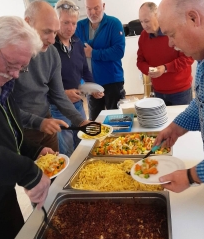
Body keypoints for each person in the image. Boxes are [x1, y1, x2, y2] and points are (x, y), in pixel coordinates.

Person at [154, 0, 204, 239]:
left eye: (171, 34)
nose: (171, 44)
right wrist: (177, 126)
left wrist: (191, 176)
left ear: (193, 18)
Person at [0, 16, 51, 239]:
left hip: (3, 190)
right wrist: (27, 171)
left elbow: (8, 130)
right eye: (11, 65)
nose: (16, 74)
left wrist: (33, 150)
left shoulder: (3, 82)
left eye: (22, 67)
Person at [12, 1, 93, 153]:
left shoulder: (52, 53)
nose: (51, 40)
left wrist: (81, 121)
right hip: (23, 131)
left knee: (56, 169)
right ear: (28, 23)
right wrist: (38, 123)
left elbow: (58, 95)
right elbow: (6, 107)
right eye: (47, 31)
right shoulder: (12, 54)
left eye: (55, 32)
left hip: (48, 123)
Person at [52, 0, 104, 156]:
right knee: (66, 148)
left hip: (78, 105)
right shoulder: (49, 46)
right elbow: (44, 83)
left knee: (83, 142)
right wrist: (64, 93)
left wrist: (93, 87)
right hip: (57, 108)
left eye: (74, 23)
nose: (70, 28)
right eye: (65, 22)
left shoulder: (77, 42)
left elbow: (85, 70)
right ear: (56, 21)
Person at [75, 0, 126, 121]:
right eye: (88, 8)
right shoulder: (79, 26)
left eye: (96, 8)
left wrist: (93, 53)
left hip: (112, 81)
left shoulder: (114, 23)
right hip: (91, 83)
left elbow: (118, 51)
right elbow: (76, 57)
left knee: (117, 120)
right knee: (95, 122)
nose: (92, 12)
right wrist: (83, 83)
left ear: (103, 6)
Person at [137, 2, 194, 106]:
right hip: (158, 91)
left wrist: (165, 68)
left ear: (157, 15)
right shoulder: (143, 37)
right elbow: (140, 61)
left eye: (147, 21)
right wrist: (149, 70)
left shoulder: (174, 30)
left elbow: (188, 58)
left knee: (184, 121)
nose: (144, 25)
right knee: (162, 122)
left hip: (180, 91)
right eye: (141, 22)